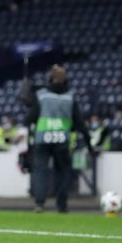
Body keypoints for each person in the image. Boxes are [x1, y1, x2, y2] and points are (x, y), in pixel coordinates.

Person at [24, 64, 92, 213]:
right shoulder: (70, 97)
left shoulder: (41, 95)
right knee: (63, 171)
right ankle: (61, 205)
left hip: (43, 138)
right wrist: (89, 144)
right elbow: (79, 123)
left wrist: (27, 106)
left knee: (41, 170)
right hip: (62, 139)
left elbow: (30, 118)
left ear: (50, 78)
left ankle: (39, 203)